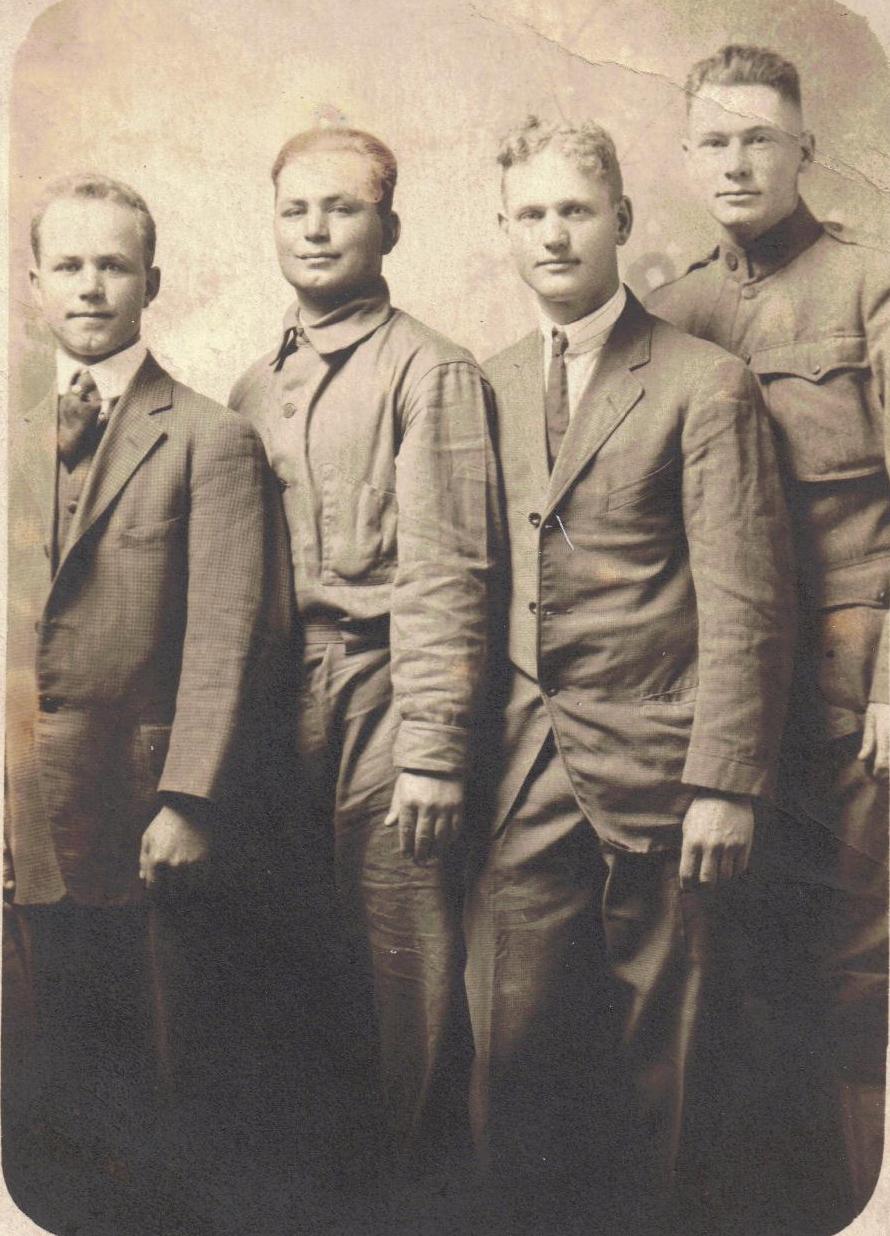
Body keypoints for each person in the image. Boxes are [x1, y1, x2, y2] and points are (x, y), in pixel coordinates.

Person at [463, 116, 794, 1235]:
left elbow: (746, 598)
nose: (552, 235)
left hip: (665, 771)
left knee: (675, 1071)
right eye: (529, 214)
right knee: (512, 1063)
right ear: (502, 231)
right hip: (521, 774)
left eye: (573, 210)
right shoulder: (485, 383)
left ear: (620, 221)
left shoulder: (705, 384)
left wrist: (725, 781)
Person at [5, 173, 290, 1234]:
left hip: (146, 807)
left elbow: (228, 632)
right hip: (32, 805)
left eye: (112, 265)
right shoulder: (11, 438)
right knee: (54, 1068)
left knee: (168, 1071)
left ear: (151, 281)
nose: (90, 286)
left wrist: (190, 800)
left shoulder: (209, 437)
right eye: (69, 267)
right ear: (34, 287)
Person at [647, 45, 890, 1228]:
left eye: (758, 137)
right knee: (724, 950)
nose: (736, 160)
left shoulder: (867, 286)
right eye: (714, 140)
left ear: (803, 148)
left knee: (847, 954)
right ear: (686, 158)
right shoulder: (672, 305)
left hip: (850, 676)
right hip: (717, 689)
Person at [229, 126, 498, 1192]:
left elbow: (450, 573)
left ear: (389, 227)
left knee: (409, 973)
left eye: (342, 208)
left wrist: (431, 751)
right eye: (296, 208)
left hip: (389, 701)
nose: (316, 228)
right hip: (274, 709)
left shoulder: (430, 372)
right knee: (297, 967)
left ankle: (420, 1198)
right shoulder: (256, 382)